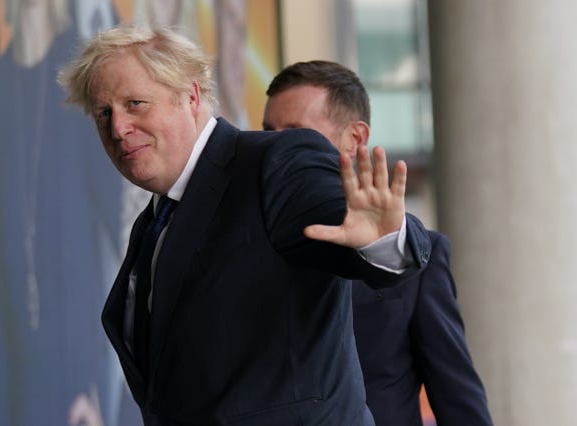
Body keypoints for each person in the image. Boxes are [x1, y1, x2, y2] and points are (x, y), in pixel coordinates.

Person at [57, 25, 432, 425]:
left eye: (135, 103)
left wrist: (383, 241)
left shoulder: (274, 162)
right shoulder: (153, 224)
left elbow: (341, 222)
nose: (118, 128)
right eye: (104, 113)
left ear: (191, 95)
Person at [263, 60, 494, 426]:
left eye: (294, 134)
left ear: (355, 139)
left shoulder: (417, 256)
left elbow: (457, 395)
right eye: (266, 132)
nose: (274, 148)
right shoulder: (247, 242)